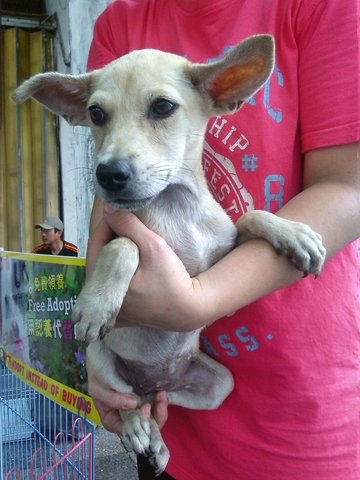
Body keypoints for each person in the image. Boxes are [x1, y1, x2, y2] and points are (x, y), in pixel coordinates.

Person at [85, 1, 360, 479]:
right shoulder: (119, 21)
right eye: (96, 115)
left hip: (304, 413)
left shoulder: (320, 8)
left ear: (228, 87)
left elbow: (349, 186)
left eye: (161, 108)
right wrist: (99, 353)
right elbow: (114, 197)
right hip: (172, 430)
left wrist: (196, 303)